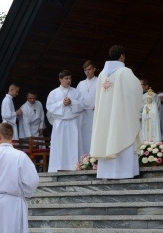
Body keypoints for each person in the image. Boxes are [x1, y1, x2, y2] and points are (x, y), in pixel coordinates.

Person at [90, 45, 142, 179]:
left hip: (104, 119)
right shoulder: (124, 72)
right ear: (122, 56)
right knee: (122, 136)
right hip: (121, 117)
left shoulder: (101, 74)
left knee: (106, 138)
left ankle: (106, 173)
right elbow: (136, 91)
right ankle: (124, 172)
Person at [47, 70, 85, 172]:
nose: (68, 81)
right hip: (60, 122)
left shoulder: (76, 92)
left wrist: (72, 102)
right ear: (60, 79)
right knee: (60, 146)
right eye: (66, 78)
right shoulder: (54, 93)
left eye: (70, 78)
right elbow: (49, 107)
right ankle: (59, 167)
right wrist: (62, 103)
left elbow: (82, 105)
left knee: (73, 145)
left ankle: (74, 166)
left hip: (72, 122)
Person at [76, 60, 98, 157]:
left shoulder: (99, 81)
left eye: (89, 69)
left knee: (94, 135)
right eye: (85, 70)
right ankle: (84, 157)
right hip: (83, 114)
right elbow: (76, 98)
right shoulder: (81, 84)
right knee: (84, 136)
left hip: (95, 113)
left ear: (94, 69)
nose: (87, 72)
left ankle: (94, 156)